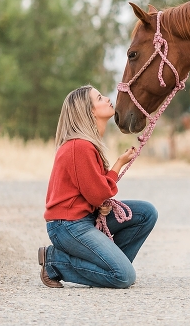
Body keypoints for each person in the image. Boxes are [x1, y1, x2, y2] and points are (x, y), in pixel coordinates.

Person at [38, 85, 158, 288]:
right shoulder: (79, 146)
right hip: (68, 226)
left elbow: (93, 193)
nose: (107, 99)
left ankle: (106, 267)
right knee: (124, 277)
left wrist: (101, 205)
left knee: (146, 213)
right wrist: (118, 165)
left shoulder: (87, 144)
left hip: (83, 219)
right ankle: (54, 262)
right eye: (100, 98)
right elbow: (98, 194)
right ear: (89, 111)